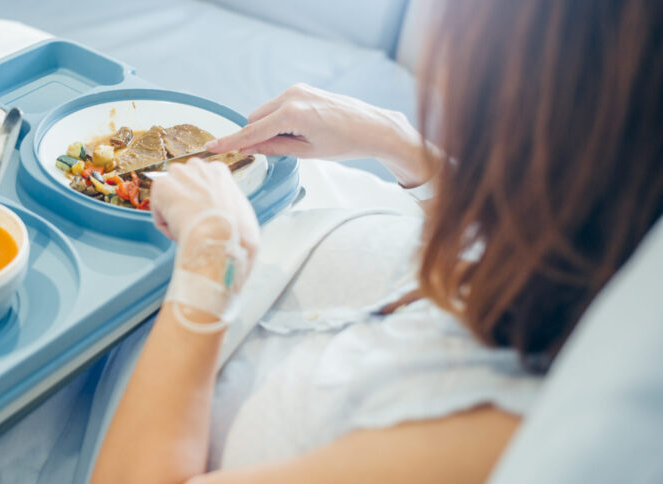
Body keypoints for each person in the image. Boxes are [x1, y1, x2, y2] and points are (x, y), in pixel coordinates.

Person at [91, 0, 663, 482]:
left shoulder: (482, 439)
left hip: (99, 362)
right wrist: (398, 141)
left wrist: (211, 266)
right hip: (188, 248)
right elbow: (540, 231)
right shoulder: (593, 261)